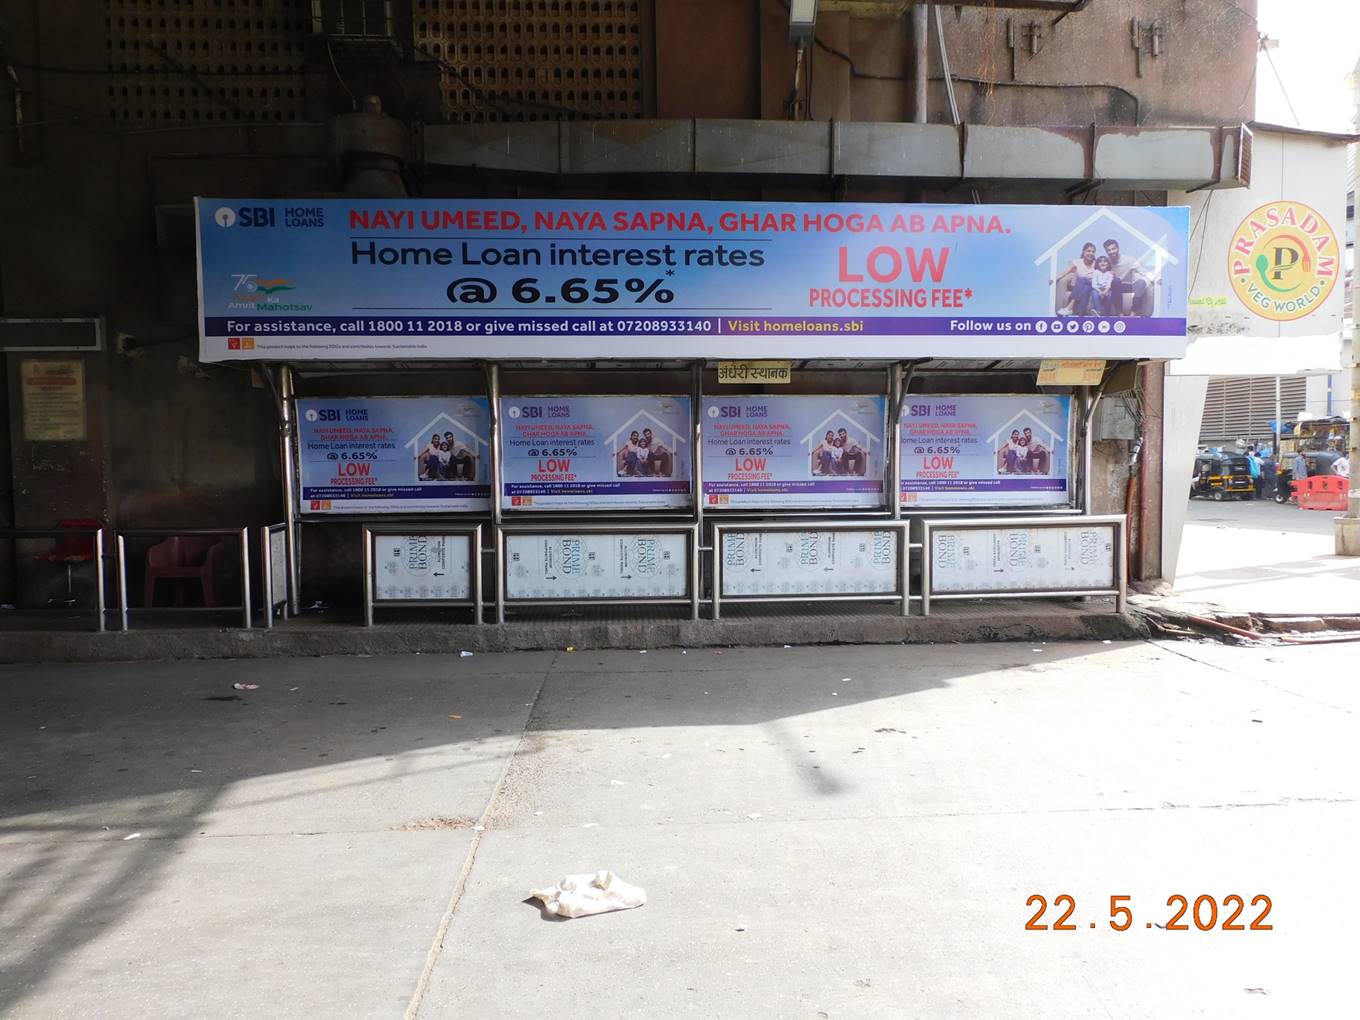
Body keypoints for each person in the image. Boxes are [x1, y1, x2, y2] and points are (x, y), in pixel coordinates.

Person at [1102, 238, 1154, 316]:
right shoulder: (1105, 263)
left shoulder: (1128, 260)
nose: (1112, 252)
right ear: (1106, 251)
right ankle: (1119, 313)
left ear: (1118, 248)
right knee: (1116, 281)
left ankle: (1133, 313)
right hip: (1115, 287)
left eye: (1113, 249)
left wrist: (1155, 279)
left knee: (1141, 282)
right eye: (1108, 250)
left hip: (1129, 285)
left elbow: (1143, 270)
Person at [1053, 242, 1099, 315]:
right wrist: (1054, 279)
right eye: (1089, 251)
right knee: (1085, 288)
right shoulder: (1077, 262)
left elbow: (1104, 272)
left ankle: (1069, 307)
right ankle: (1080, 313)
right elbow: (1065, 272)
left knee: (1082, 279)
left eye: (1093, 252)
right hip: (1082, 286)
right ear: (1083, 251)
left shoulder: (1096, 263)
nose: (1091, 253)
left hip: (1093, 285)